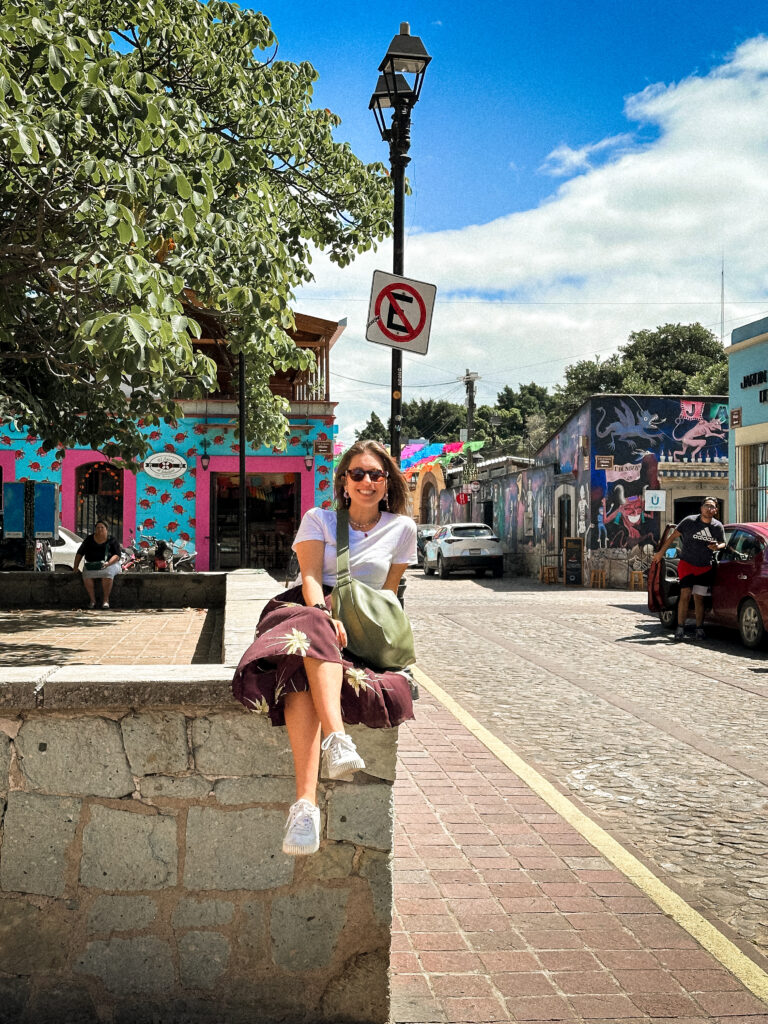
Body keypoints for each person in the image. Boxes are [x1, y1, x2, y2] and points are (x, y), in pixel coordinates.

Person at [232, 440, 417, 857]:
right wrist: (325, 615)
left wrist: (368, 635)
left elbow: (386, 596)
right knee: (314, 628)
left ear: (386, 483)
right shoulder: (318, 518)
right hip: (305, 612)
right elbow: (311, 576)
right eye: (358, 474)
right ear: (343, 482)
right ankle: (337, 739)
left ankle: (304, 807)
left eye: (376, 474)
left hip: (357, 625)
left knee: (300, 675)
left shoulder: (402, 529)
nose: (367, 481)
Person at [651, 497, 725, 640]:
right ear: (701, 508)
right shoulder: (689, 521)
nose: (709, 509)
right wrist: (660, 553)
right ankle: (680, 628)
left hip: (704, 567)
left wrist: (717, 546)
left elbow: (723, 543)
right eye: (707, 506)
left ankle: (699, 629)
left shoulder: (717, 526)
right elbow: (672, 537)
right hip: (687, 564)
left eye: (712, 507)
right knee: (685, 594)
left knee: (699, 598)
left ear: (716, 510)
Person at [72, 520, 122, 609]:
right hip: (92, 565)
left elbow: (117, 555)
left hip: (110, 564)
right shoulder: (89, 539)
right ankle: (92, 600)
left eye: (102, 527)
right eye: (98, 528)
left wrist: (108, 563)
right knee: (86, 575)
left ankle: (106, 600)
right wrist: (75, 567)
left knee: (107, 573)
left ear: (106, 529)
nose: (100, 530)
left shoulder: (112, 540)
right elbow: (80, 553)